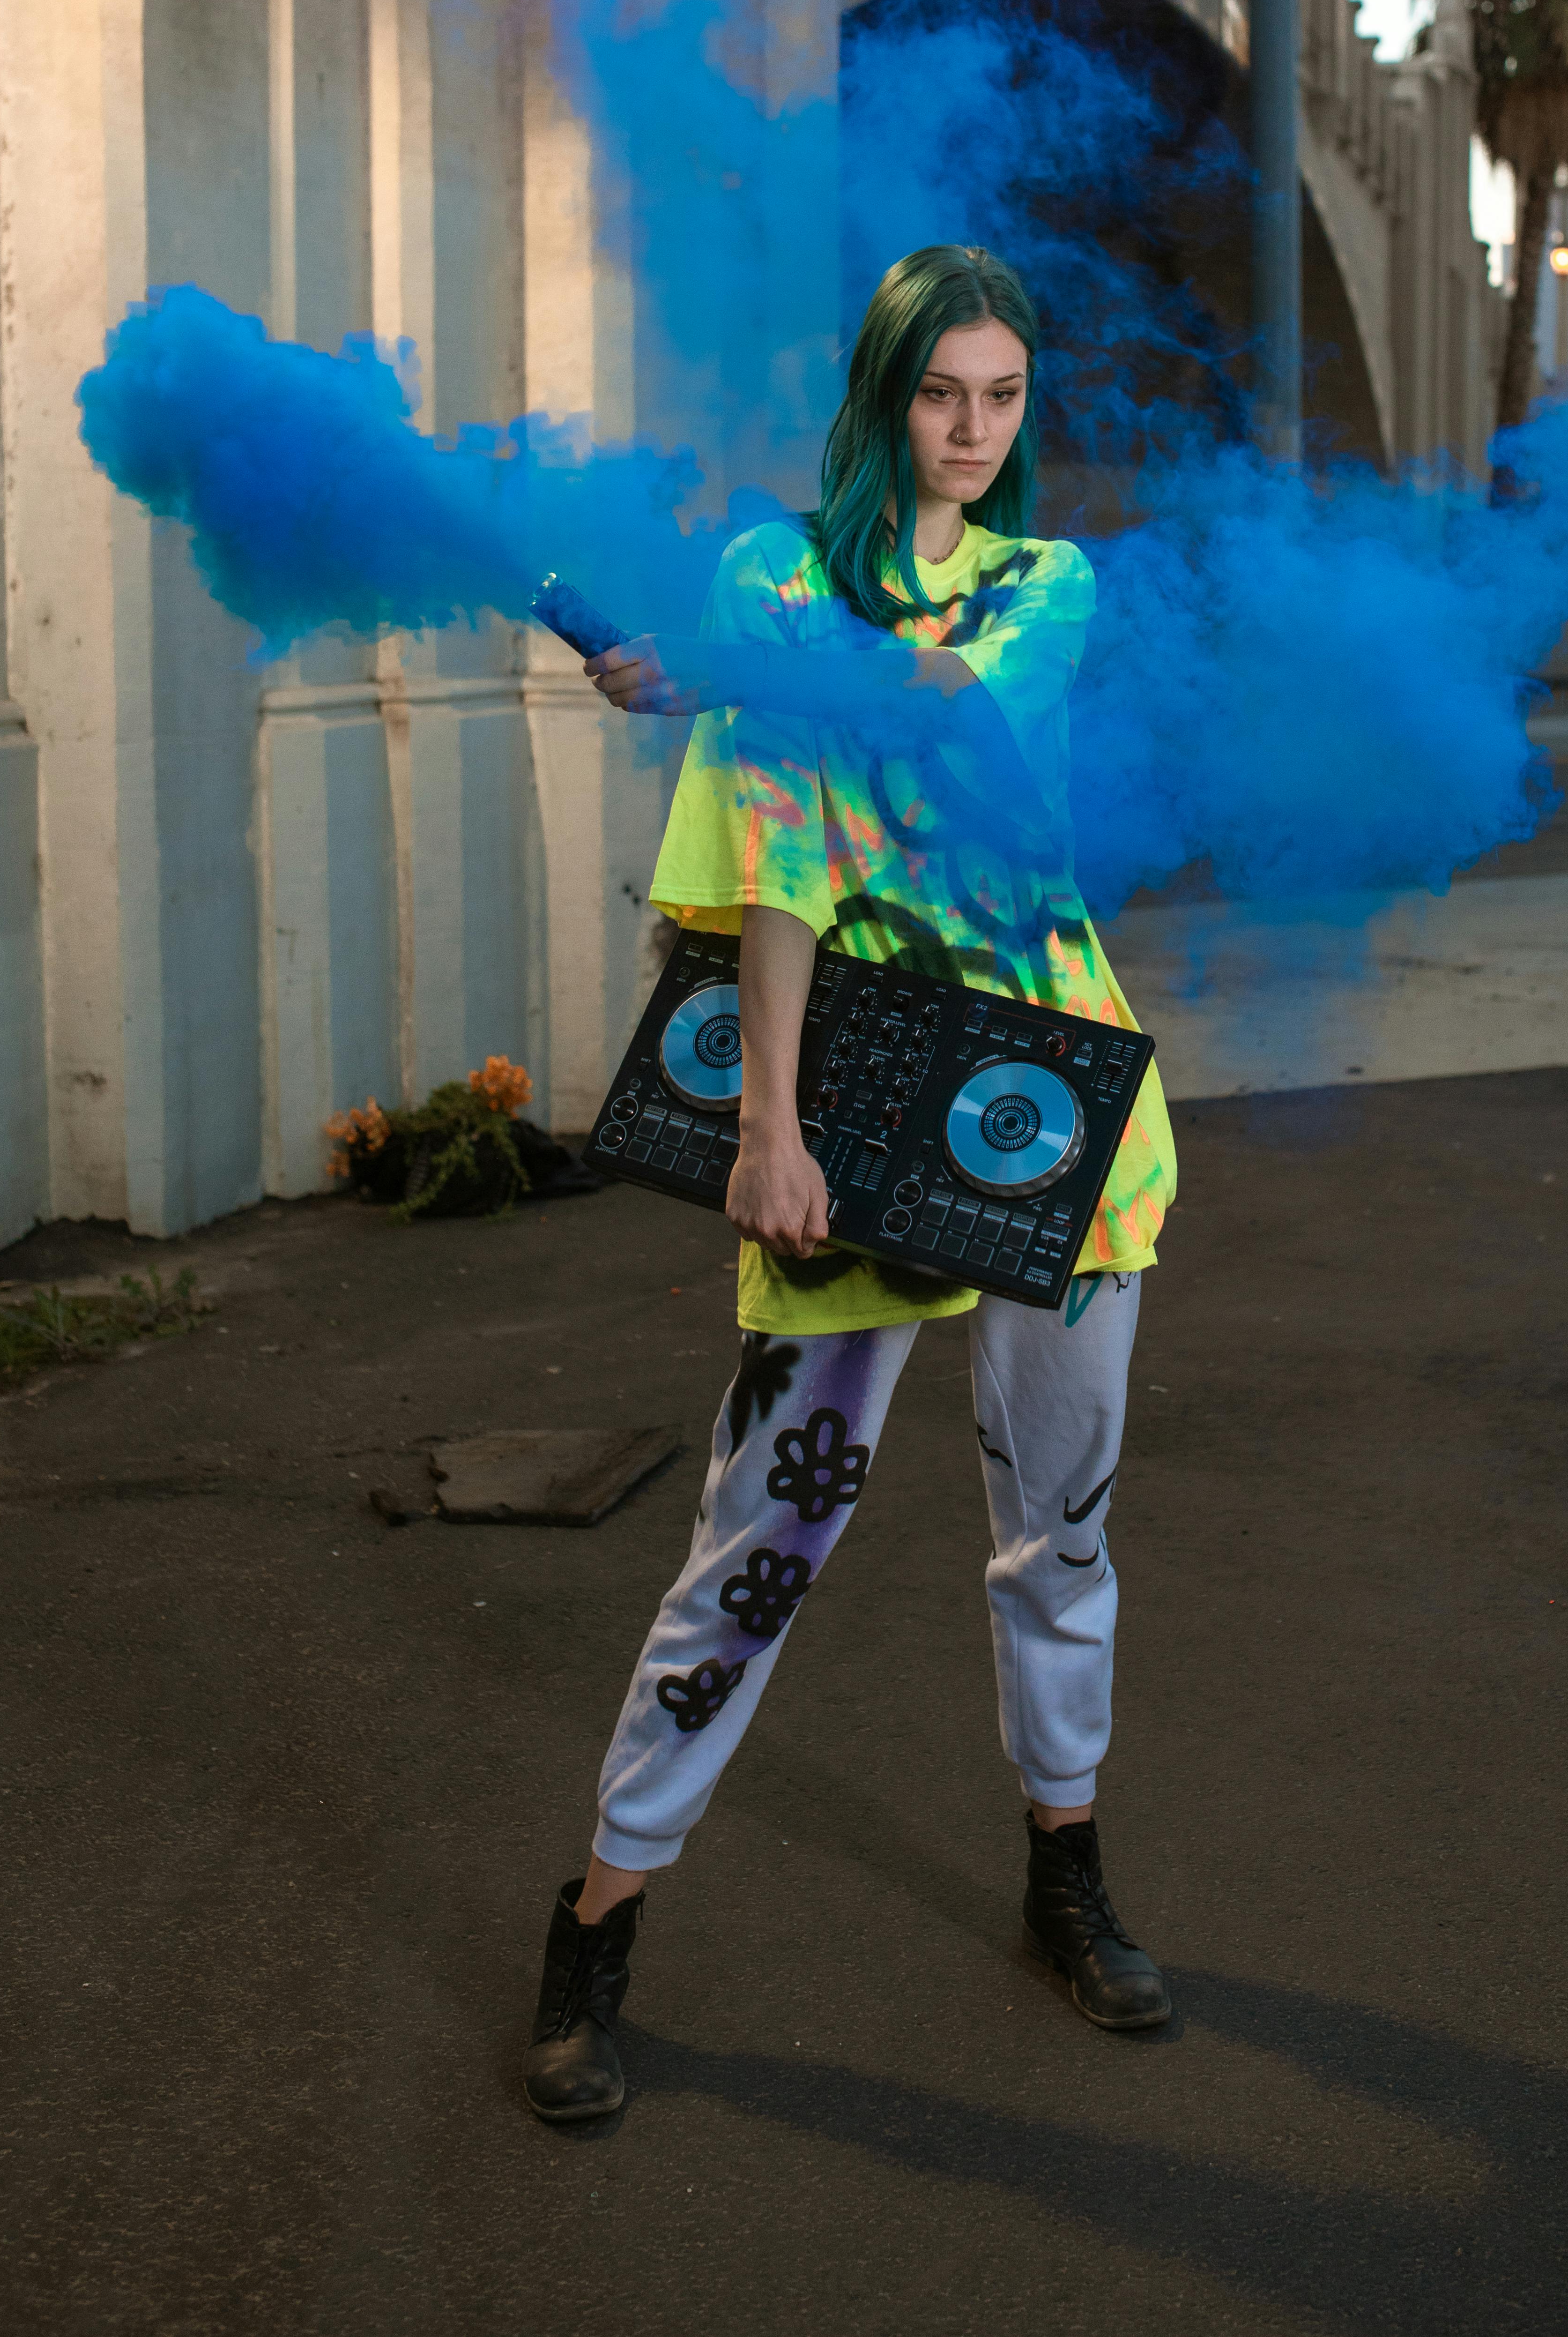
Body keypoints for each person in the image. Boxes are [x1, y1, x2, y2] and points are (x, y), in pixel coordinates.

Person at [521, 245, 1178, 2124]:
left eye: (1002, 397)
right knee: (760, 1545)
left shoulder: (1052, 585)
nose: (971, 434)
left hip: (1055, 1113)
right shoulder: (767, 575)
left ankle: (1067, 1865)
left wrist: (749, 673)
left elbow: (954, 720)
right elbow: (784, 862)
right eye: (938, 394)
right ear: (882, 396)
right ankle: (599, 1917)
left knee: (1059, 1533)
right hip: (842, 1123)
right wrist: (770, 1130)